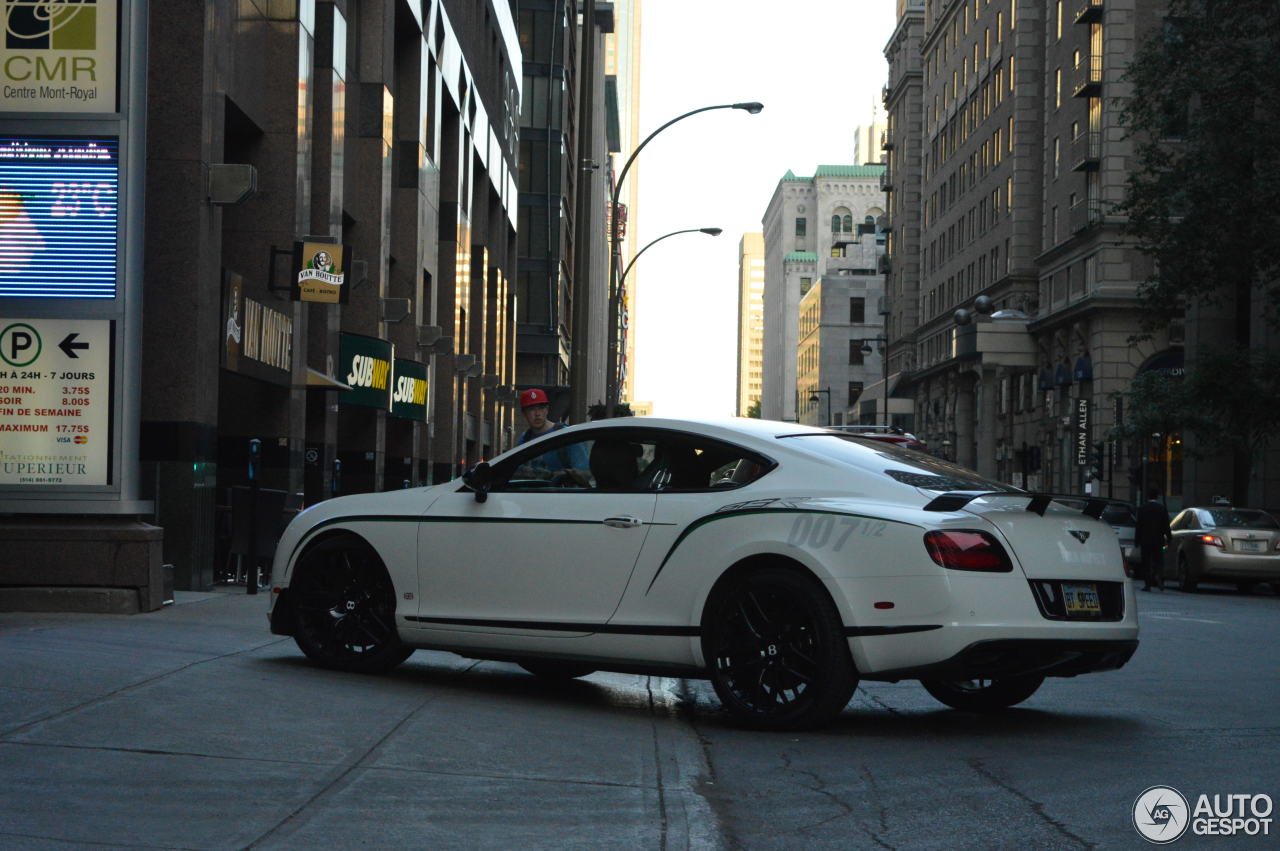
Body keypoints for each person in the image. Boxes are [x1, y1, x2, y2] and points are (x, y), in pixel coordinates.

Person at [513, 388, 588, 482]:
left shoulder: (565, 435)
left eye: (541, 408)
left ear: (547, 410)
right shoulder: (524, 439)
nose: (537, 414)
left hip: (564, 493)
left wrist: (564, 475)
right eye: (531, 409)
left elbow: (585, 473)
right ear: (524, 413)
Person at [1135, 486, 1172, 591]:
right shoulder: (1162, 509)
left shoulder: (1142, 508)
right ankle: (1158, 575)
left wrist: (1137, 540)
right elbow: (1166, 525)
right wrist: (1169, 538)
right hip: (1158, 540)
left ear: (1148, 496)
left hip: (1145, 540)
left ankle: (1148, 584)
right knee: (1158, 560)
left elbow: (1139, 526)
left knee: (1146, 562)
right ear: (1157, 496)